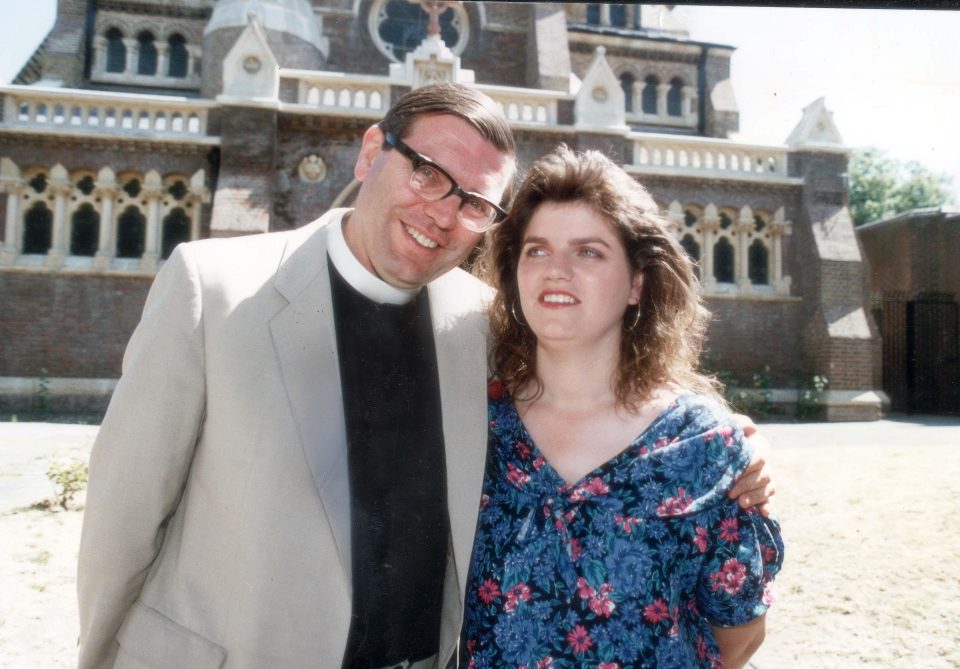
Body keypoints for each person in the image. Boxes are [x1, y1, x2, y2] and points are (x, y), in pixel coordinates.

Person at [77, 83, 773, 668]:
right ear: (372, 149)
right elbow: (121, 525)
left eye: (474, 202)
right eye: (425, 171)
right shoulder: (212, 288)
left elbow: (606, 382)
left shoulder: (484, 324)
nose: (441, 212)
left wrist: (729, 445)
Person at [461, 146, 783, 668]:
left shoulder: (702, 445)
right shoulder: (472, 424)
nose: (556, 270)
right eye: (536, 251)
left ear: (637, 283)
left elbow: (738, 636)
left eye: (588, 252)